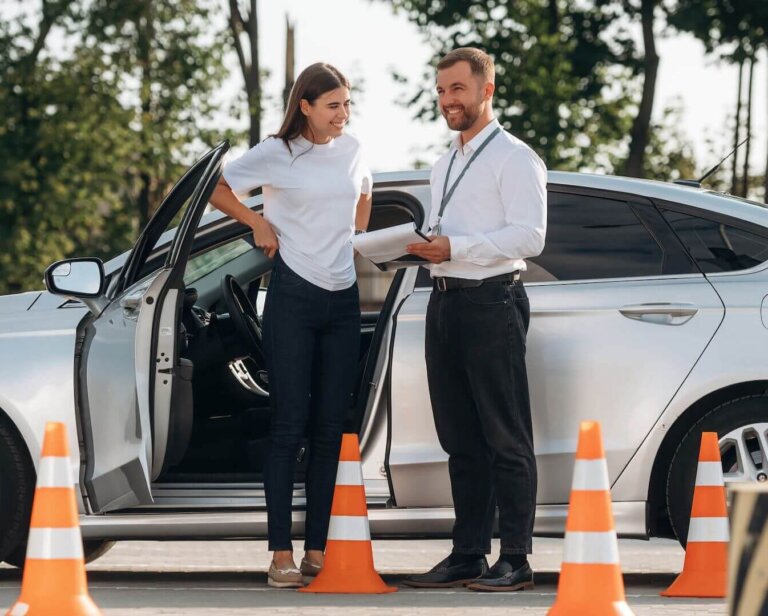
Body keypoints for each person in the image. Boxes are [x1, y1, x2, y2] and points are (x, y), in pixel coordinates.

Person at [208, 63, 372, 588]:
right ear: (305, 106)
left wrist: (356, 238)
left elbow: (364, 194)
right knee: (287, 426)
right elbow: (216, 186)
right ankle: (281, 552)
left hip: (343, 299)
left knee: (330, 428)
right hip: (294, 297)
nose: (343, 114)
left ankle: (318, 550)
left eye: (347, 104)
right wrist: (257, 221)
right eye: (333, 106)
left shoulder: (353, 150)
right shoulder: (277, 153)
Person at [403, 47, 547, 592]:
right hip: (444, 301)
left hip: (491, 300)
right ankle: (467, 554)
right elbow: (446, 233)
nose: (446, 101)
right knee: (458, 438)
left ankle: (516, 558)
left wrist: (457, 246)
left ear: (487, 90)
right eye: (440, 90)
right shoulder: (445, 163)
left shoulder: (515, 157)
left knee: (505, 436)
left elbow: (531, 236)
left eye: (457, 89)